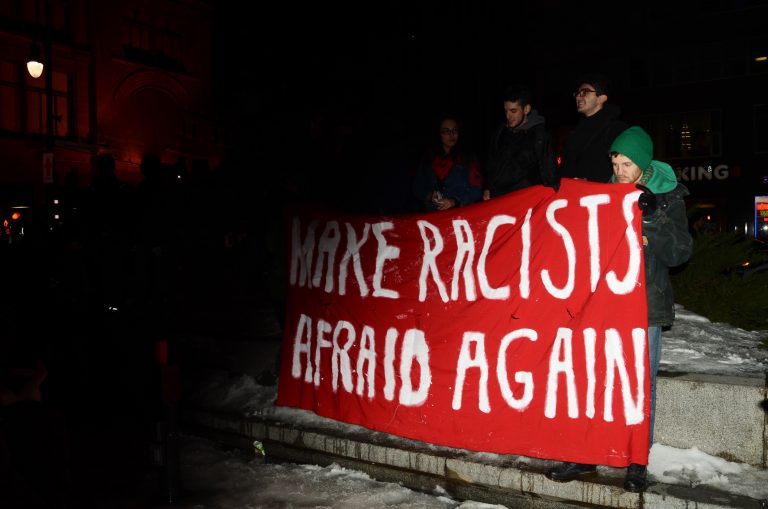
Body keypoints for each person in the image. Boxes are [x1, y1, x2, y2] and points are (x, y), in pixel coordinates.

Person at [546, 126, 693, 492]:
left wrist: (649, 219)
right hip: (604, 306)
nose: (620, 169)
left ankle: (636, 461)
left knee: (639, 385)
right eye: (615, 161)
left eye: (627, 163)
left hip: (645, 308)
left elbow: (679, 254)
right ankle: (586, 453)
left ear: (642, 164)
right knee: (595, 380)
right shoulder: (605, 194)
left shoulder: (668, 198)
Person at [482, 85, 559, 200]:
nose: (508, 116)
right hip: (497, 200)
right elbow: (490, 164)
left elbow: (549, 173)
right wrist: (487, 188)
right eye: (506, 111)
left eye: (513, 111)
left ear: (526, 109)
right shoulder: (500, 132)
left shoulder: (539, 136)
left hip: (523, 202)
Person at [559, 73, 628, 182]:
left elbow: (623, 171)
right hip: (571, 195)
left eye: (584, 92)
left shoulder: (616, 130)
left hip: (599, 196)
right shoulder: (575, 132)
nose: (578, 97)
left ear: (601, 99)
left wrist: (590, 183)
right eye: (577, 93)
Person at [411, 113, 483, 211]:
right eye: (446, 131)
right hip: (432, 217)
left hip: (459, 216)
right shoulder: (429, 158)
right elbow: (417, 187)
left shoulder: (468, 158)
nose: (451, 134)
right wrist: (430, 195)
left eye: (454, 130)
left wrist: (454, 201)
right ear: (439, 134)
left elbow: (477, 189)